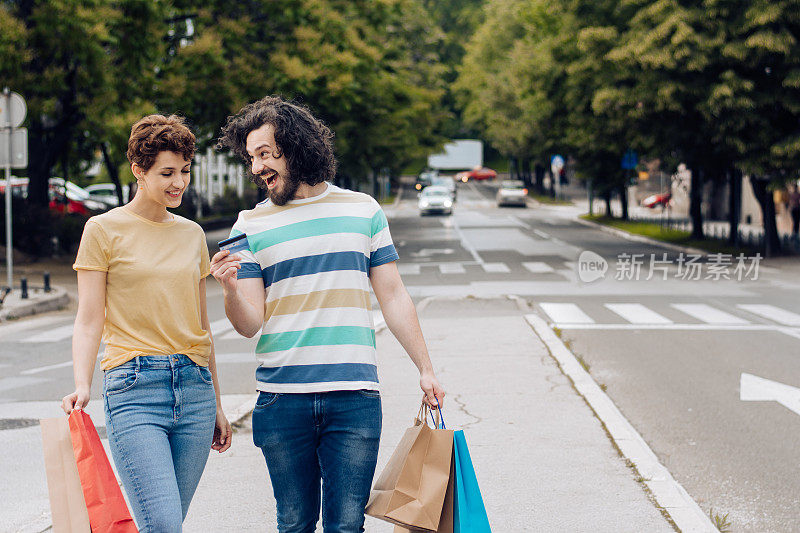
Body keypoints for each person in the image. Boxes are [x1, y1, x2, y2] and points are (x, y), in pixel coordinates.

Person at [213, 96, 445, 532]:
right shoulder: (250, 225)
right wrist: (229, 289)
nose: (256, 168)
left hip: (353, 398)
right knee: (296, 523)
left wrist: (425, 368)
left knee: (346, 526)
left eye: (265, 154)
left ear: (296, 147)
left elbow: (393, 295)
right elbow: (248, 324)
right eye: (250, 158)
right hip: (282, 401)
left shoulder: (363, 210)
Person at [61, 114, 232, 532]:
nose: (179, 183)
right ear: (139, 170)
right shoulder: (102, 230)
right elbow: (88, 320)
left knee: (166, 523)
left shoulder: (192, 234)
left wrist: (218, 404)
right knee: (164, 524)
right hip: (135, 390)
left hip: (194, 391)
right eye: (167, 173)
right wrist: (82, 384)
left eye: (185, 171)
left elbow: (202, 327)